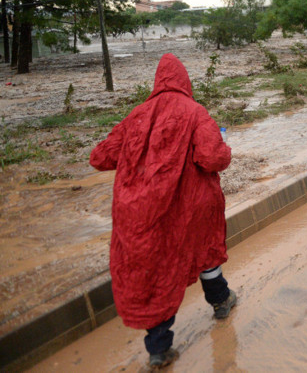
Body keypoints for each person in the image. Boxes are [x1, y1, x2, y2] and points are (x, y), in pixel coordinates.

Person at [89, 53, 237, 369]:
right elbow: (213, 158)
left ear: (157, 82)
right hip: (189, 206)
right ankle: (221, 301)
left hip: (140, 212)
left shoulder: (136, 116)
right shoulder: (196, 113)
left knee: (157, 274)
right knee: (205, 250)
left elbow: (100, 157)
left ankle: (159, 349)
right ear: (185, 81)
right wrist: (225, 147)